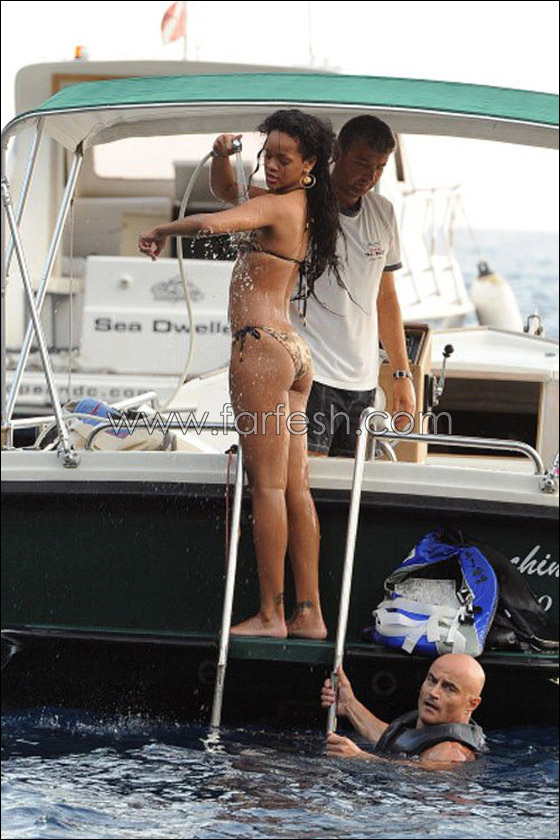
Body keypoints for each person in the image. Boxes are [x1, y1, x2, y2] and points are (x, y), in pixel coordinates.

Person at [140, 110, 345, 640]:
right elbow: (229, 193)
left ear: (310, 164)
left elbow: (213, 223)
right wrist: (220, 156)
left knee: (268, 487)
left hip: (260, 350)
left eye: (284, 159)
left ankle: (272, 614)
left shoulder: (276, 205)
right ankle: (309, 613)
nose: (272, 165)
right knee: (295, 487)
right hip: (294, 354)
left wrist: (163, 228)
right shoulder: (298, 205)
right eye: (267, 155)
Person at [291, 115, 416, 456]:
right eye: (362, 163)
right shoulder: (303, 204)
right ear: (338, 152)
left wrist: (402, 375)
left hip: (363, 381)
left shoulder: (384, 212)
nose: (370, 176)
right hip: (312, 373)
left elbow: (386, 298)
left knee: (351, 483)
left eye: (379, 167)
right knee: (307, 476)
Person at [321, 654, 487, 766]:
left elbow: (413, 773)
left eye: (449, 688)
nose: (433, 692)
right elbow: (395, 739)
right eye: (431, 680)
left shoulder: (451, 752)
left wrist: (360, 757)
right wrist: (349, 704)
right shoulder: (428, 730)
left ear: (472, 704)